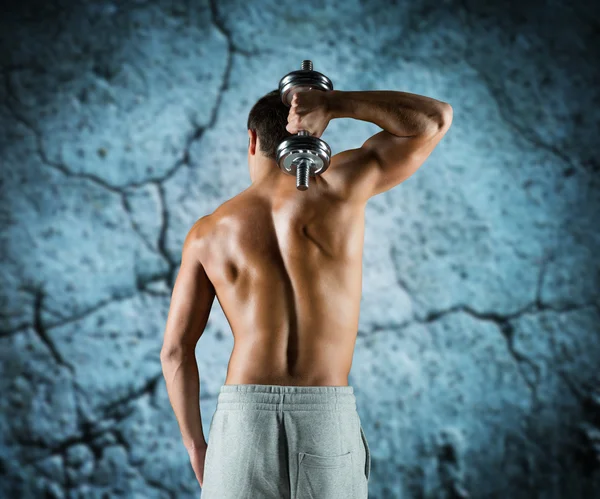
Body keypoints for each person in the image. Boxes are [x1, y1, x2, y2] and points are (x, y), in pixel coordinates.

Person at [160, 86, 453, 498]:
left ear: (252, 140)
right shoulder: (339, 188)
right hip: (324, 412)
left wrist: (196, 445)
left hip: (243, 421)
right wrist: (336, 104)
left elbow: (175, 351)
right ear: (308, 135)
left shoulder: (206, 234)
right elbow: (435, 119)